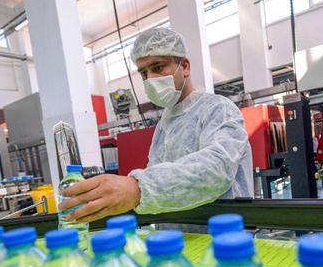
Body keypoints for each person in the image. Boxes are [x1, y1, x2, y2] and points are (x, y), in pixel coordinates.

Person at [58, 27, 253, 222]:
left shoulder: (218, 109)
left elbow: (218, 168)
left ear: (185, 66)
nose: (150, 78)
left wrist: (138, 188)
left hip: (225, 233)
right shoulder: (163, 126)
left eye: (158, 67)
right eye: (144, 73)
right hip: (174, 236)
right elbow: (163, 186)